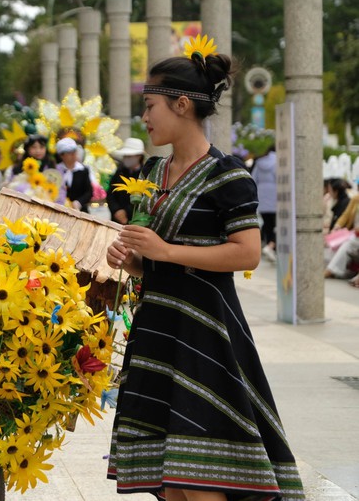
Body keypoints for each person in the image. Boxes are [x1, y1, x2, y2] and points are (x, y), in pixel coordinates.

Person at [105, 42, 304, 500]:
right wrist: (133, 261)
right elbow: (152, 261)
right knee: (170, 484)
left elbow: (247, 253)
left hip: (205, 335)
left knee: (203, 484)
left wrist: (166, 251)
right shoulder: (154, 172)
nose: (146, 118)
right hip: (159, 330)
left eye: (150, 106)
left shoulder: (227, 175)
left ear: (181, 104)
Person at [107, 137, 147, 224]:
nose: (126, 159)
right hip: (116, 221)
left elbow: (145, 198)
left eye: (129, 156)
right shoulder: (120, 172)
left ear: (139, 156)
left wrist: (126, 212)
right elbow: (110, 193)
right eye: (125, 156)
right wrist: (116, 210)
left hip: (136, 221)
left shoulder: (146, 174)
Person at [251, 145, 277, 262]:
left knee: (267, 224)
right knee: (277, 224)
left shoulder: (259, 162)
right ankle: (271, 246)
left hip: (262, 196)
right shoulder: (277, 161)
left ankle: (268, 245)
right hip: (275, 196)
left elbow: (253, 178)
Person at [55, 137, 92, 212]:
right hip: (59, 209)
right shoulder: (56, 170)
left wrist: (79, 202)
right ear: (61, 155)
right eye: (69, 153)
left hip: (80, 210)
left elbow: (89, 192)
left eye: (74, 151)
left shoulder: (83, 170)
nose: (73, 155)